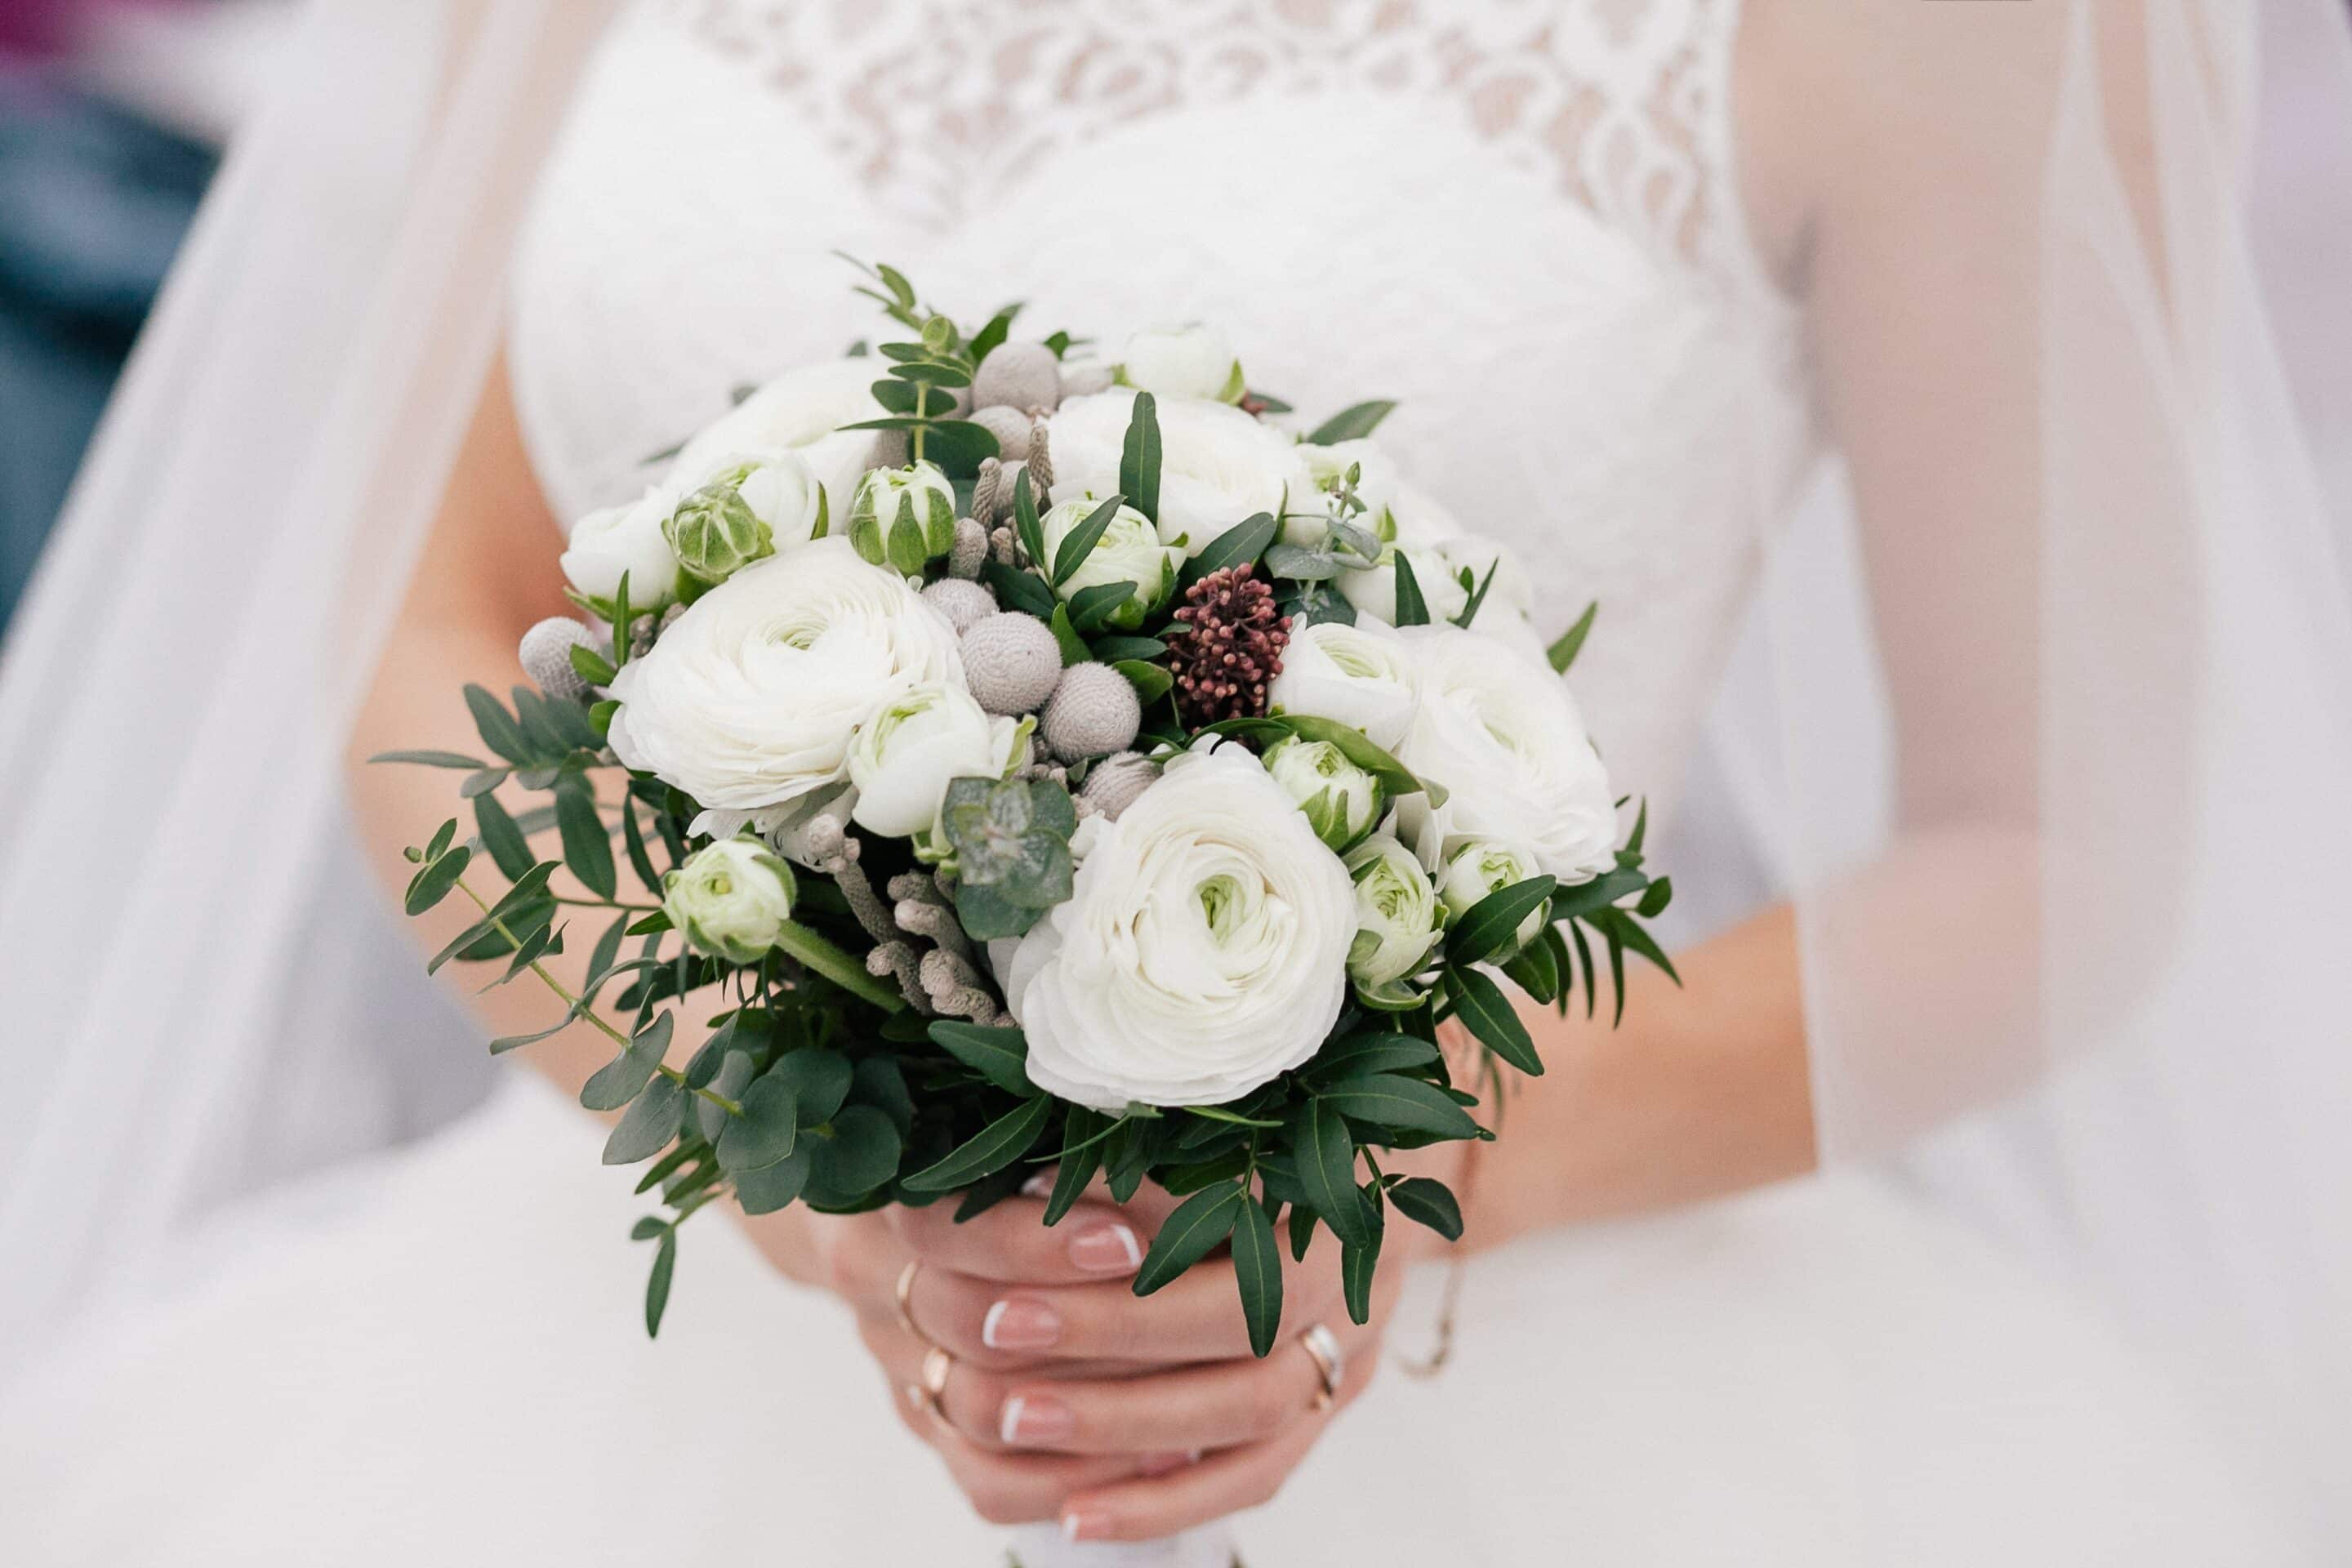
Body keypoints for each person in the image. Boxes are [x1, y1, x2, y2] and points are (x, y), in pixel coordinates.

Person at [1, 1, 2346, 1561]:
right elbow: (446, 629)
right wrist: (768, 1133)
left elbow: (2046, 856)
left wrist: (1415, 1170)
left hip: (1544, 1391)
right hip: (607, 1375)